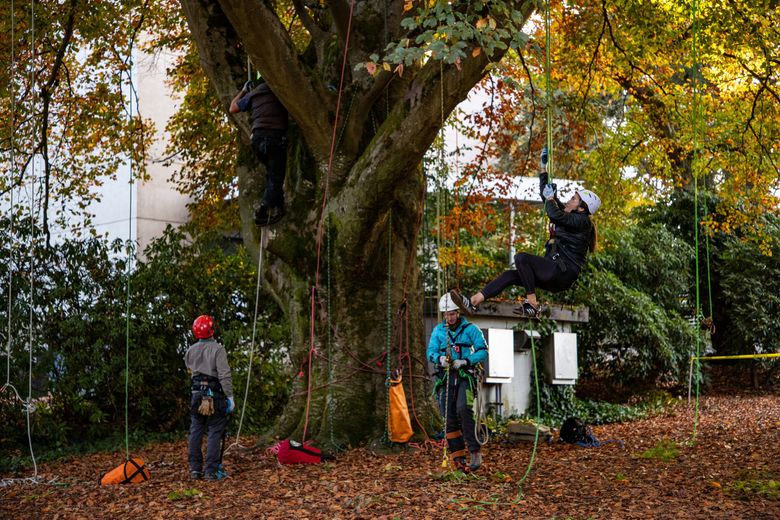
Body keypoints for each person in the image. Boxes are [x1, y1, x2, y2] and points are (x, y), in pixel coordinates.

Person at [451, 147, 600, 318]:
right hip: (555, 271)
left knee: (521, 258)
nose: (569, 199)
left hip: (561, 271)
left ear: (582, 208)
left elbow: (554, 213)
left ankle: (533, 304)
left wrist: (551, 198)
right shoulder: (571, 215)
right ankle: (473, 301)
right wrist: (542, 169)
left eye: (574, 199)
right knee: (511, 275)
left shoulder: (582, 222)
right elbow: (547, 200)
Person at [426, 293, 488, 472]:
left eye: (452, 313)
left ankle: (475, 451)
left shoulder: (471, 329)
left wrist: (466, 361)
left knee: (463, 408)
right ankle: (458, 458)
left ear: (458, 312)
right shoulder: (439, 331)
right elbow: (430, 352)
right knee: (449, 416)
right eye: (446, 314)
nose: (449, 317)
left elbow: (483, 351)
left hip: (465, 376)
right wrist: (440, 359)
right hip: (446, 377)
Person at [229, 77, 289, 226]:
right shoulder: (280, 90)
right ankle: (264, 209)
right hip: (274, 138)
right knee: (276, 176)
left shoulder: (254, 94)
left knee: (272, 174)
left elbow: (233, 108)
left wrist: (243, 91)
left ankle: (277, 205)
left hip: (257, 141)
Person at [186, 315, 235, 481]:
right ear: (212, 330)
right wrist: (230, 396)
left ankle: (195, 469)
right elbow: (224, 374)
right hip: (215, 395)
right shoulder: (218, 349)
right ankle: (211, 470)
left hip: (196, 395)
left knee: (196, 430)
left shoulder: (190, 350)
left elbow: (190, 370)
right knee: (215, 430)